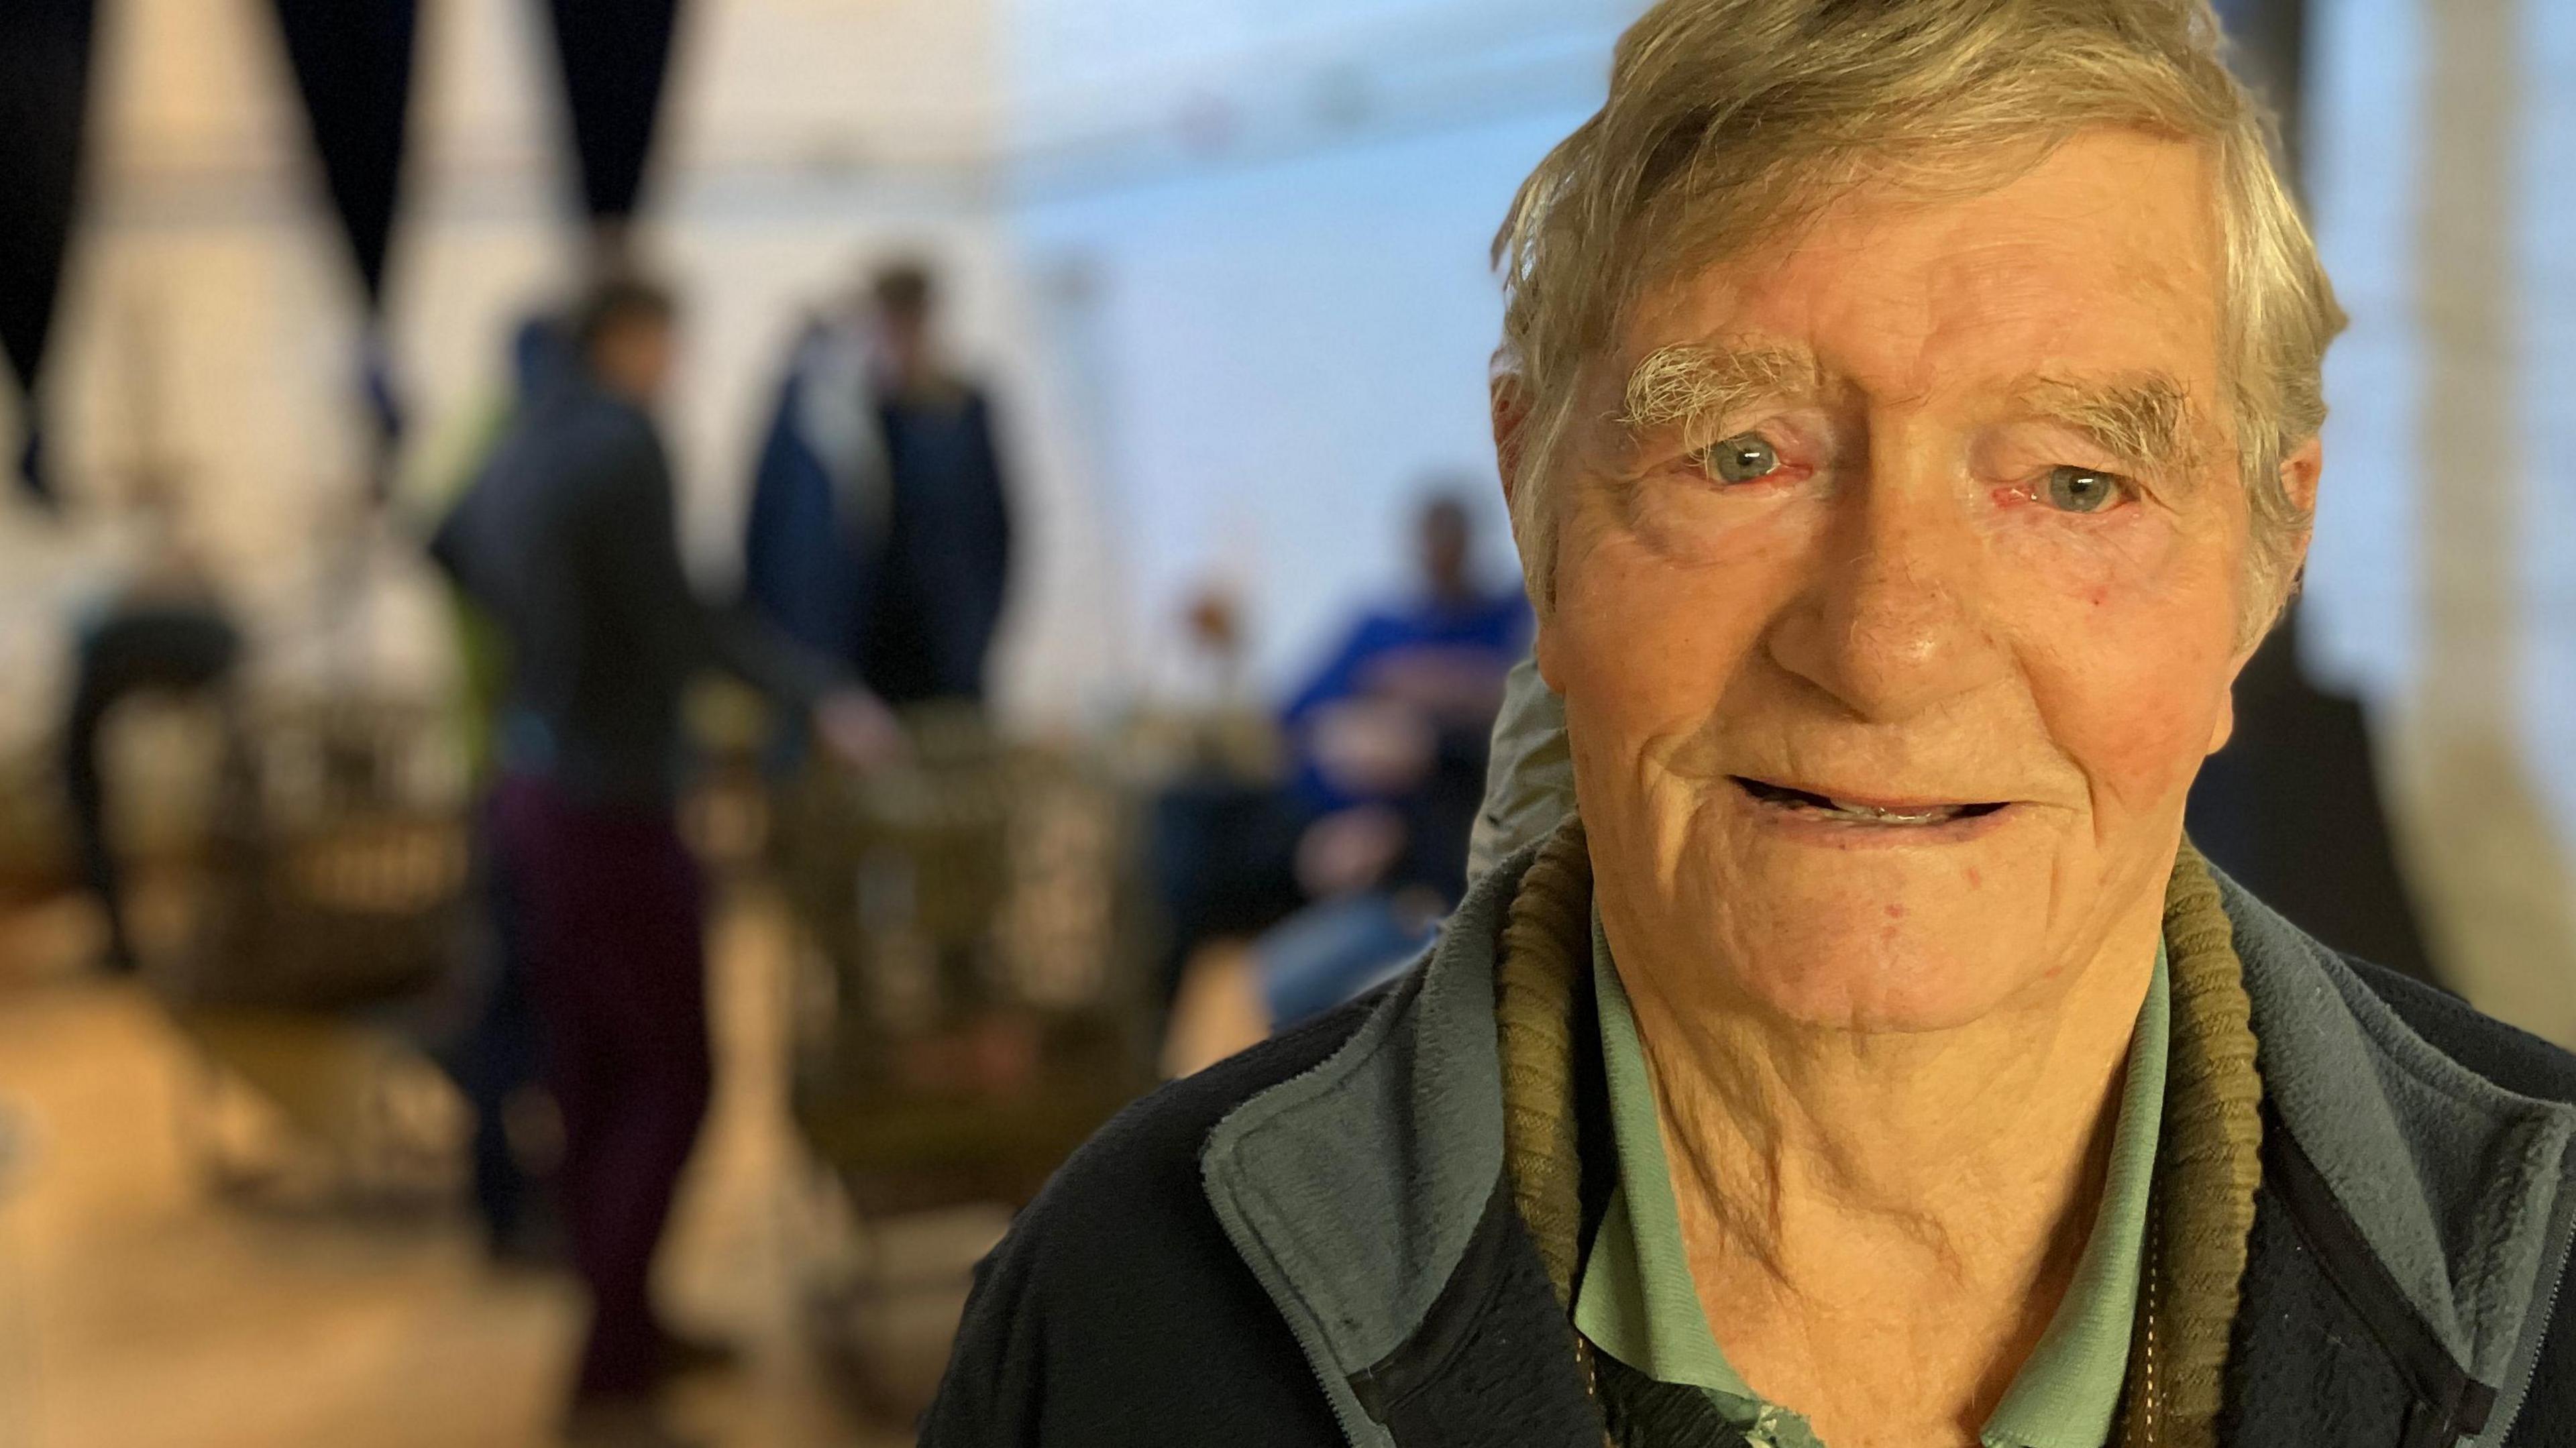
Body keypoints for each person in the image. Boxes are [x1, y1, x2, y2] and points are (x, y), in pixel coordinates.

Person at [923, 3, 2576, 1445]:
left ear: (2264, 559)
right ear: (1532, 501)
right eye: (1740, 455)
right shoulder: (1135, 1323)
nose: (1885, 646)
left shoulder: (2553, 1281)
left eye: (2075, 483)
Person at [431, 275, 895, 1446]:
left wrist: (544, 650)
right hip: (613, 799)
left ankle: (626, 1316)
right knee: (676, 1071)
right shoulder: (622, 441)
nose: (674, 365)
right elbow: (679, 617)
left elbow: (441, 539)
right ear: (631, 339)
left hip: (532, 780)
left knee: (590, 1073)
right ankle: (610, 1364)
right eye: (669, 343)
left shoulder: (527, 430)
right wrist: (813, 692)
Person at [741, 260, 1013, 713]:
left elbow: (994, 527)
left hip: (940, 645)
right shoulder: (820, 409)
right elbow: (768, 527)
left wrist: (977, 632)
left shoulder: (958, 408)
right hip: (844, 643)